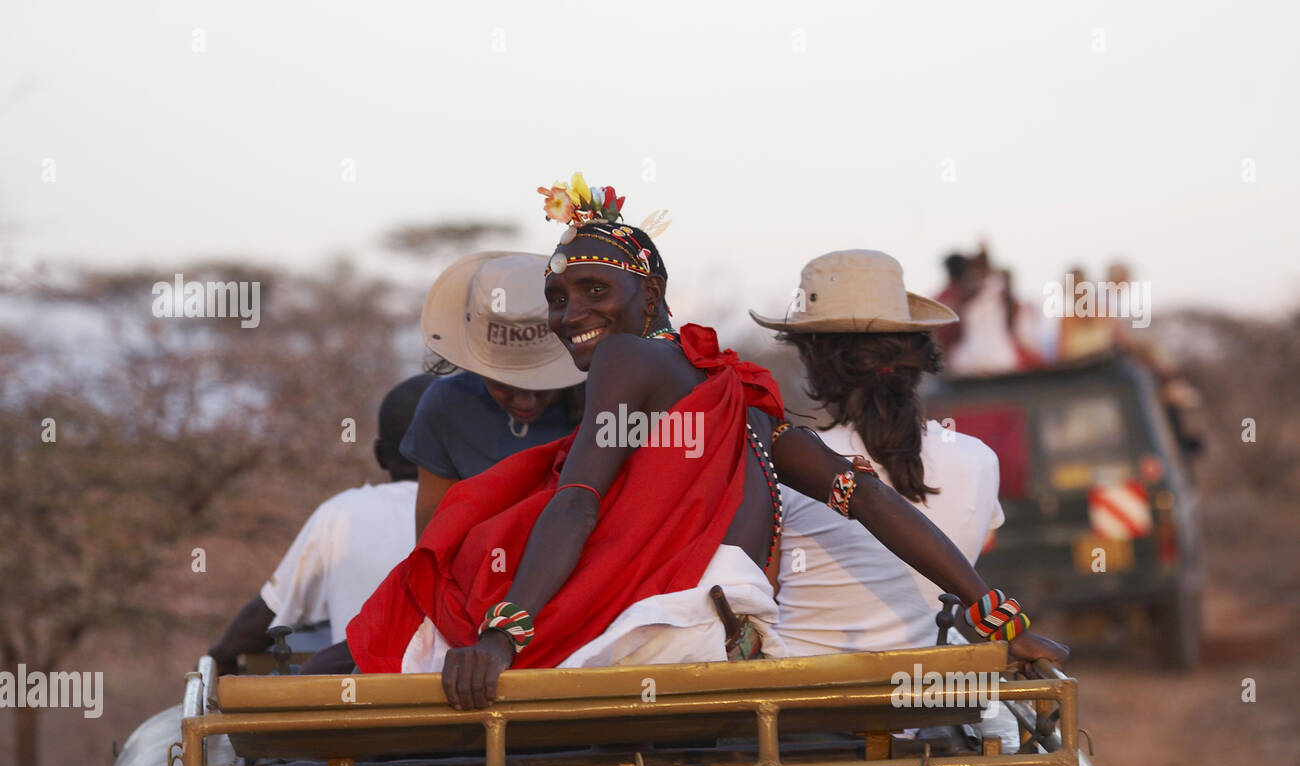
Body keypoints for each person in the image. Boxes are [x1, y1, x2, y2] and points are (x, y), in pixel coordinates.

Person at [343, 176, 1068, 708]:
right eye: (560, 298)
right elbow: (863, 495)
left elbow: (577, 503)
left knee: (369, 645)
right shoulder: (739, 391)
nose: (570, 316)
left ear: (652, 300)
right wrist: (992, 611)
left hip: (650, 629)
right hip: (731, 637)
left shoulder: (632, 361)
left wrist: (503, 636)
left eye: (596, 292)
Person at [750, 250, 1005, 655]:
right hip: (921, 705)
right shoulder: (979, 459)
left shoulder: (781, 467)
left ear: (815, 359)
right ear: (917, 355)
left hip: (799, 704)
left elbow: (760, 594)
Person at [207, 374, 435, 675]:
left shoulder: (341, 514)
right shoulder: (487, 511)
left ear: (379, 455)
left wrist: (217, 659)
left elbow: (263, 616)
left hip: (365, 707)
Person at [402, 251, 586, 537]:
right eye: (503, 385)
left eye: (542, 386)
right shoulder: (447, 408)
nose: (525, 402)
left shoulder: (605, 404)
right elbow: (433, 543)